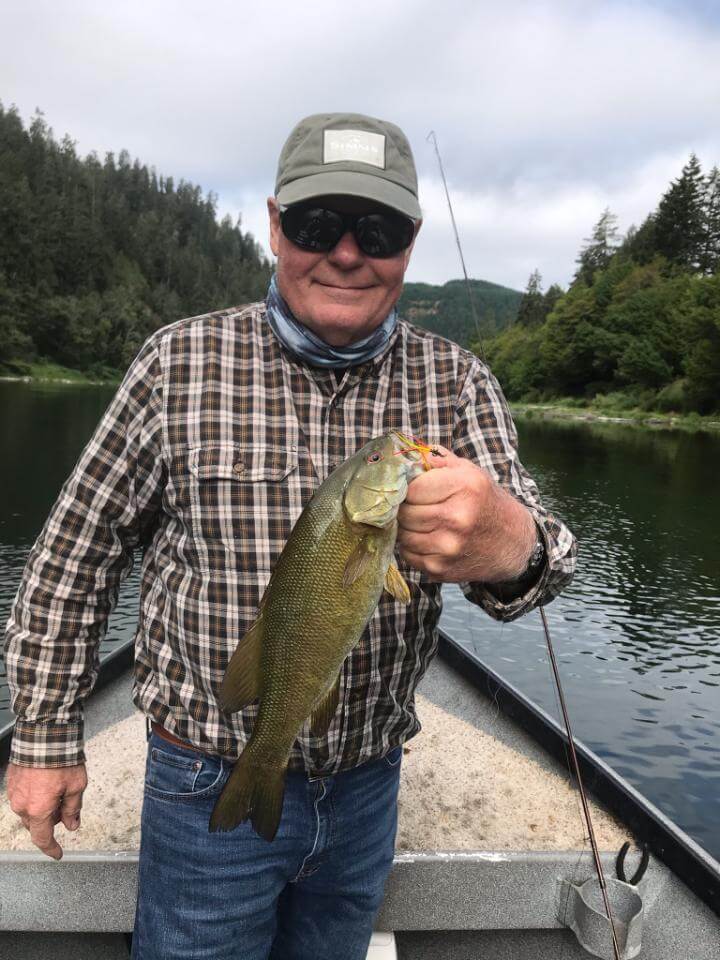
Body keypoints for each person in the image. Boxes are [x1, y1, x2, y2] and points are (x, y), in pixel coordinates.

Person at [4, 112, 577, 960]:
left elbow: (543, 567)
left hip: (369, 785)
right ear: (275, 225)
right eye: (317, 225)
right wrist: (46, 739)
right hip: (203, 774)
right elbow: (71, 563)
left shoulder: (460, 382)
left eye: (375, 230)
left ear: (410, 245)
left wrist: (513, 543)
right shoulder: (178, 362)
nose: (346, 252)